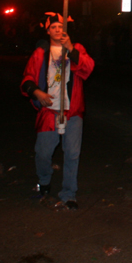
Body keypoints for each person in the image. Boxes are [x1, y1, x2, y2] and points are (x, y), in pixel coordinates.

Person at [20, 13, 94, 210]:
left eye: (61, 26)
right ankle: (44, 182)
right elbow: (27, 79)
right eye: (53, 27)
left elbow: (88, 68)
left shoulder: (76, 48)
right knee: (43, 153)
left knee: (72, 154)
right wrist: (37, 92)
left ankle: (69, 194)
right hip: (49, 112)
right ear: (48, 31)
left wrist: (70, 48)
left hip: (73, 112)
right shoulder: (40, 53)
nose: (58, 30)